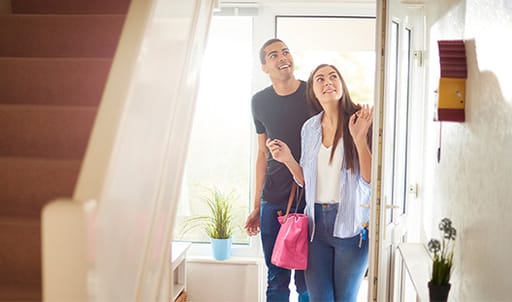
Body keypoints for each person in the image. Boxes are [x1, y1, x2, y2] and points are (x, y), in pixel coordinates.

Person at [267, 63, 373, 302]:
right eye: (320, 79)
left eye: (333, 77)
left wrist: (358, 138)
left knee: (344, 299)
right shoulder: (310, 128)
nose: (328, 82)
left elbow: (369, 181)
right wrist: (287, 160)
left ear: (342, 85)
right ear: (313, 91)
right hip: (315, 228)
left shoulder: (359, 121)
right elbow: (307, 181)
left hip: (351, 226)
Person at [244, 38, 316, 302]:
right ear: (265, 67)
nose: (282, 57)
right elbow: (262, 154)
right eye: (273, 55)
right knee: (276, 278)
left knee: (307, 279)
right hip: (273, 199)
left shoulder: (313, 94)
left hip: (309, 198)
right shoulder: (259, 102)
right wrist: (256, 205)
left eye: (286, 51)